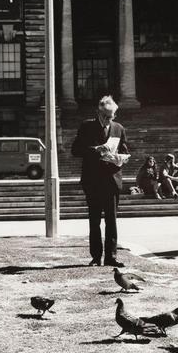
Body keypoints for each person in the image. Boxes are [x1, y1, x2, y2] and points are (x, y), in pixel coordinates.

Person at [71, 95, 128, 267]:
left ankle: (111, 257)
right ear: (98, 112)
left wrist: (121, 158)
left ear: (114, 115)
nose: (107, 120)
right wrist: (96, 150)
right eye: (104, 116)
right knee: (94, 220)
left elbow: (125, 150)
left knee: (112, 220)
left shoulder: (119, 128)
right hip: (93, 180)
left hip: (112, 179)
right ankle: (96, 256)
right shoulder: (86, 126)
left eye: (110, 117)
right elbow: (76, 150)